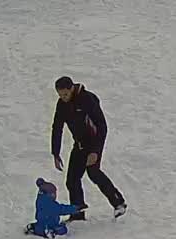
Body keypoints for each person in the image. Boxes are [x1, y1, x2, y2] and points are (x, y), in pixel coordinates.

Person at [50, 75, 126, 219]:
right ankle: (78, 214)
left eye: (65, 94)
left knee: (93, 172)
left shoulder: (87, 100)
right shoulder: (62, 105)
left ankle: (119, 203)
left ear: (72, 88)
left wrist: (95, 152)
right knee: (72, 180)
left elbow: (102, 127)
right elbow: (57, 128)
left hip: (93, 142)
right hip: (79, 145)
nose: (63, 97)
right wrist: (55, 153)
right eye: (60, 95)